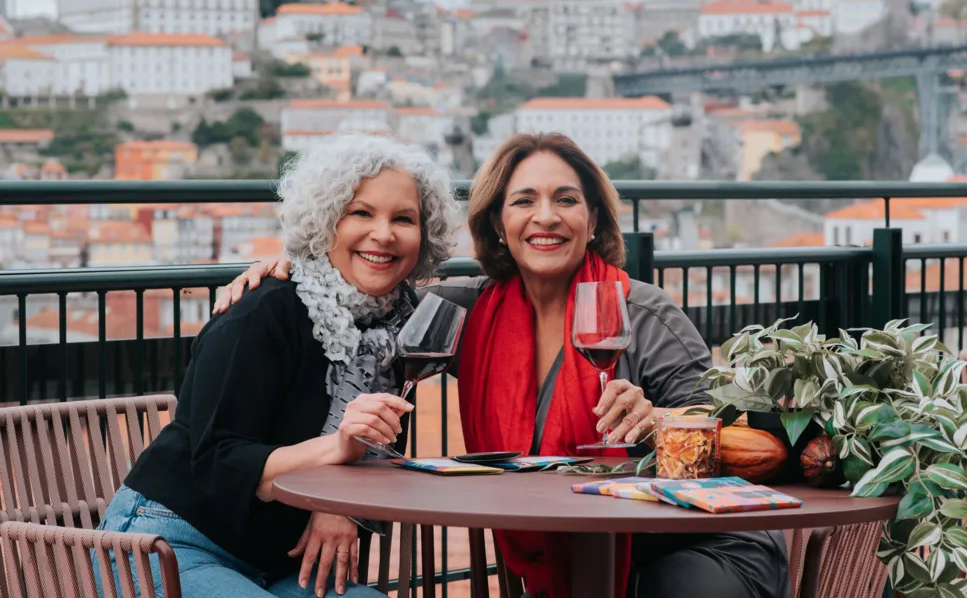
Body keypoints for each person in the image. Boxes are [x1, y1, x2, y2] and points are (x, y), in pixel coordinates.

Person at [215, 133, 789, 598]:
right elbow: (374, 285)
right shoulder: (463, 314)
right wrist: (297, 263)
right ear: (496, 223)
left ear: (593, 220)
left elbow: (744, 435)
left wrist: (662, 421)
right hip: (569, 554)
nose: (547, 217)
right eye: (524, 201)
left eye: (566, 200)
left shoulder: (640, 311)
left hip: (698, 549)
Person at [96, 134, 457, 598]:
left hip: (273, 563)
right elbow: (214, 465)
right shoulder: (260, 312)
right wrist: (336, 449)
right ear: (326, 221)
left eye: (403, 218)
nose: (384, 234)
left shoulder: (400, 324)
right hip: (169, 539)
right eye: (360, 213)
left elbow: (378, 453)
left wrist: (340, 507)